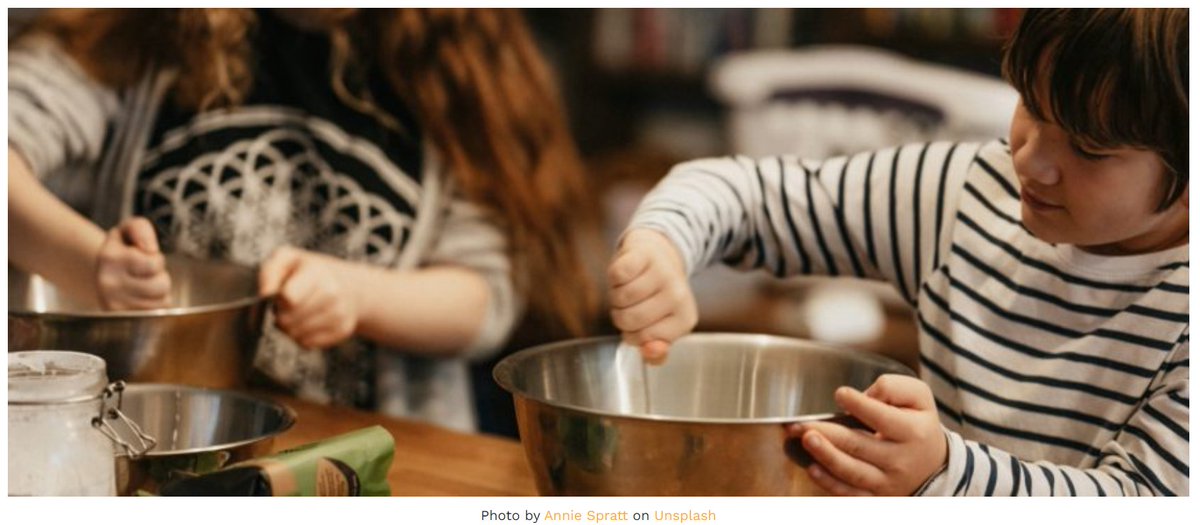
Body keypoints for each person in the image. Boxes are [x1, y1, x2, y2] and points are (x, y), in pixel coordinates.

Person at [607, 8, 1187, 496]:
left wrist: (943, 474)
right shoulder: (967, 193)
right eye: (1031, 106)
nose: (1030, 161)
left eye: (1087, 148)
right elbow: (746, 195)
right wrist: (663, 245)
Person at [8, 8, 595, 432]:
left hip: (368, 455)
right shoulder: (137, 29)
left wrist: (356, 294)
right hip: (138, 437)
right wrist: (89, 265)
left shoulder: (457, 64)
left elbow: (486, 300)